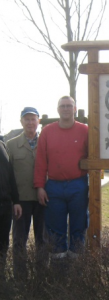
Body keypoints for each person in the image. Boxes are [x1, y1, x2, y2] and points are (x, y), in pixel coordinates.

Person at [34, 96, 88, 265]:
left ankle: (77, 269)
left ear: (74, 109)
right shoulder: (47, 132)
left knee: (78, 226)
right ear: (58, 109)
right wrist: (40, 187)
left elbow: (94, 156)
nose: (65, 109)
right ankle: (59, 272)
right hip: (54, 187)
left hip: (78, 184)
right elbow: (41, 161)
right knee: (55, 229)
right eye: (62, 106)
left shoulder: (85, 130)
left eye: (69, 106)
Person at [6, 107, 45, 279]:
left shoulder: (46, 141)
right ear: (21, 121)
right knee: (19, 241)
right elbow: (7, 175)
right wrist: (14, 201)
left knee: (42, 240)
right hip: (21, 201)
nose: (30, 122)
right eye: (26, 119)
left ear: (38, 121)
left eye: (33, 119)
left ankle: (42, 277)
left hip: (43, 199)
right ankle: (20, 278)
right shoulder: (11, 145)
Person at [0, 141, 22, 277]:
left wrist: (16, 201)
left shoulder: (2, 145)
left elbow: (10, 175)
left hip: (5, 205)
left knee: (3, 245)